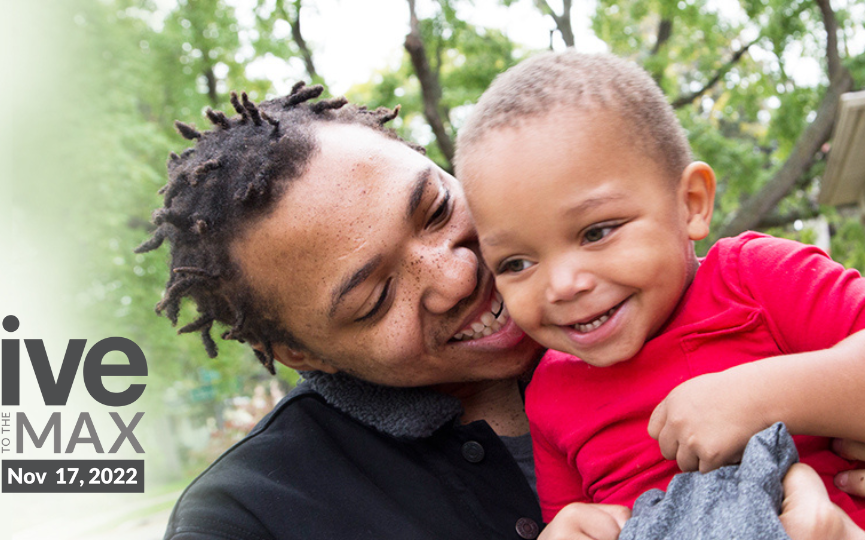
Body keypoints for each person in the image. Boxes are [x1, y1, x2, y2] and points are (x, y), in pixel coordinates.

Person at [138, 84, 865, 540]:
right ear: (305, 353)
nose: (458, 274)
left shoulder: (680, 292)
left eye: (435, 209)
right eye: (374, 298)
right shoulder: (251, 519)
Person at [454, 50, 865, 528]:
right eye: (517, 262)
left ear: (690, 204)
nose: (563, 285)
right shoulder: (549, 395)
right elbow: (573, 519)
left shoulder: (755, 278)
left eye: (597, 232)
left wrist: (763, 397)